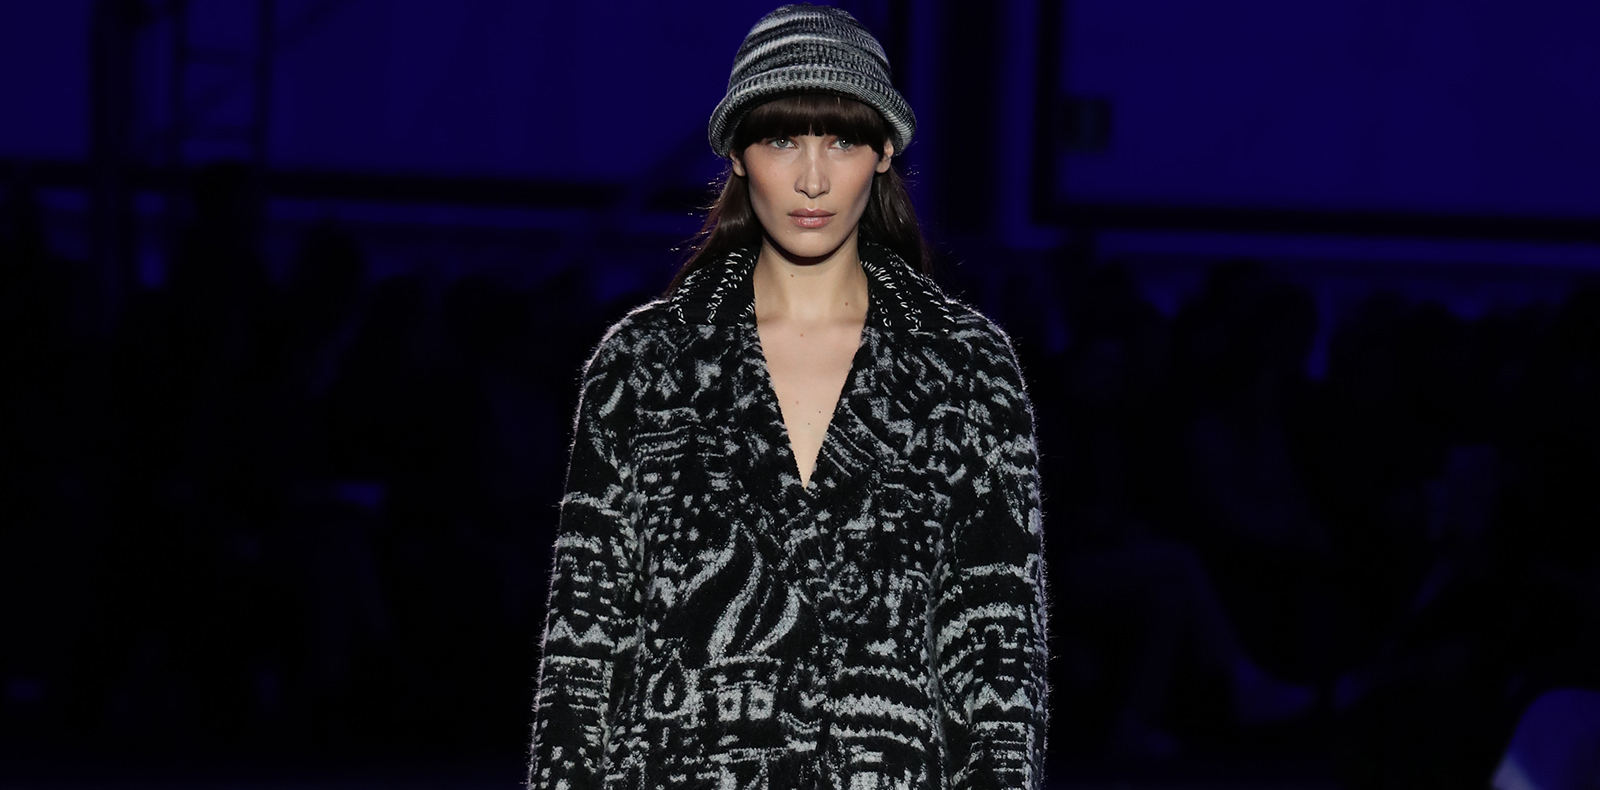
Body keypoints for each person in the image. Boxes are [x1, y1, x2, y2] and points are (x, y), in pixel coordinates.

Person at [526, 5, 1048, 788]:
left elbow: (1000, 642)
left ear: (884, 153)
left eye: (841, 141)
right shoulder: (645, 365)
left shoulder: (964, 366)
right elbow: (583, 644)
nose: (812, 178)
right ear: (738, 155)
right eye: (781, 141)